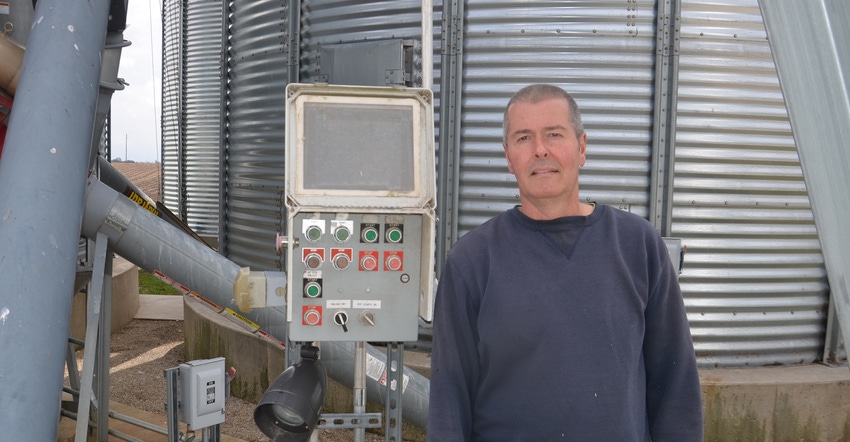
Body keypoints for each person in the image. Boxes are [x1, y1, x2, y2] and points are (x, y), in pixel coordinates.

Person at [427, 84, 704, 441]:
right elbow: (450, 396)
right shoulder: (473, 260)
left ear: (582, 147)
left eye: (554, 135)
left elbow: (675, 382)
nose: (540, 150)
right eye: (523, 138)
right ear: (509, 157)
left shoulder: (637, 245)